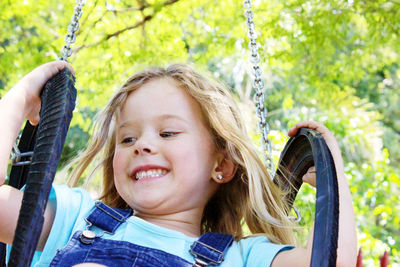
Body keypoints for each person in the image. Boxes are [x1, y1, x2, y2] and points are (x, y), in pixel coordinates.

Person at [0, 61, 357, 266]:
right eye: (127, 139)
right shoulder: (74, 218)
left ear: (222, 165)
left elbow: (331, 260)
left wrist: (331, 167)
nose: (143, 146)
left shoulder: (242, 258)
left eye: (168, 133)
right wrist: (18, 100)